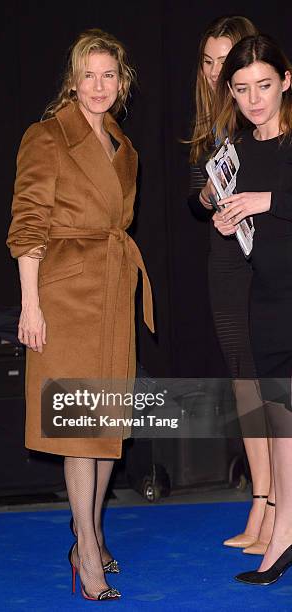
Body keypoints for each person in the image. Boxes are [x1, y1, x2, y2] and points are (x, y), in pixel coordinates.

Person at [6, 29, 154, 600]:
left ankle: (87, 531)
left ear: (122, 84)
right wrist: (30, 306)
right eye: (88, 75)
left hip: (114, 291)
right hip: (65, 297)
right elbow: (27, 224)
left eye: (109, 75)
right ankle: (86, 550)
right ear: (72, 80)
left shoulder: (122, 145)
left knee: (107, 427)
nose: (98, 86)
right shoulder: (45, 137)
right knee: (79, 431)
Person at [187, 15, 274, 555]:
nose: (218, 72)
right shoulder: (211, 122)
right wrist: (205, 197)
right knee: (244, 383)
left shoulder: (260, 111)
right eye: (209, 61)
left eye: (229, 60)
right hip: (225, 257)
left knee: (270, 386)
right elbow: (196, 188)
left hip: (263, 259)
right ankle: (261, 498)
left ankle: (272, 507)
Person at [213, 33, 292, 585]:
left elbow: (272, 206)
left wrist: (268, 202)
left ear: (286, 81)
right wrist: (230, 220)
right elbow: (237, 216)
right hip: (266, 296)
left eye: (264, 85)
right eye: (241, 89)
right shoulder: (240, 151)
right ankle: (285, 529)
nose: (254, 99)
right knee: (282, 424)